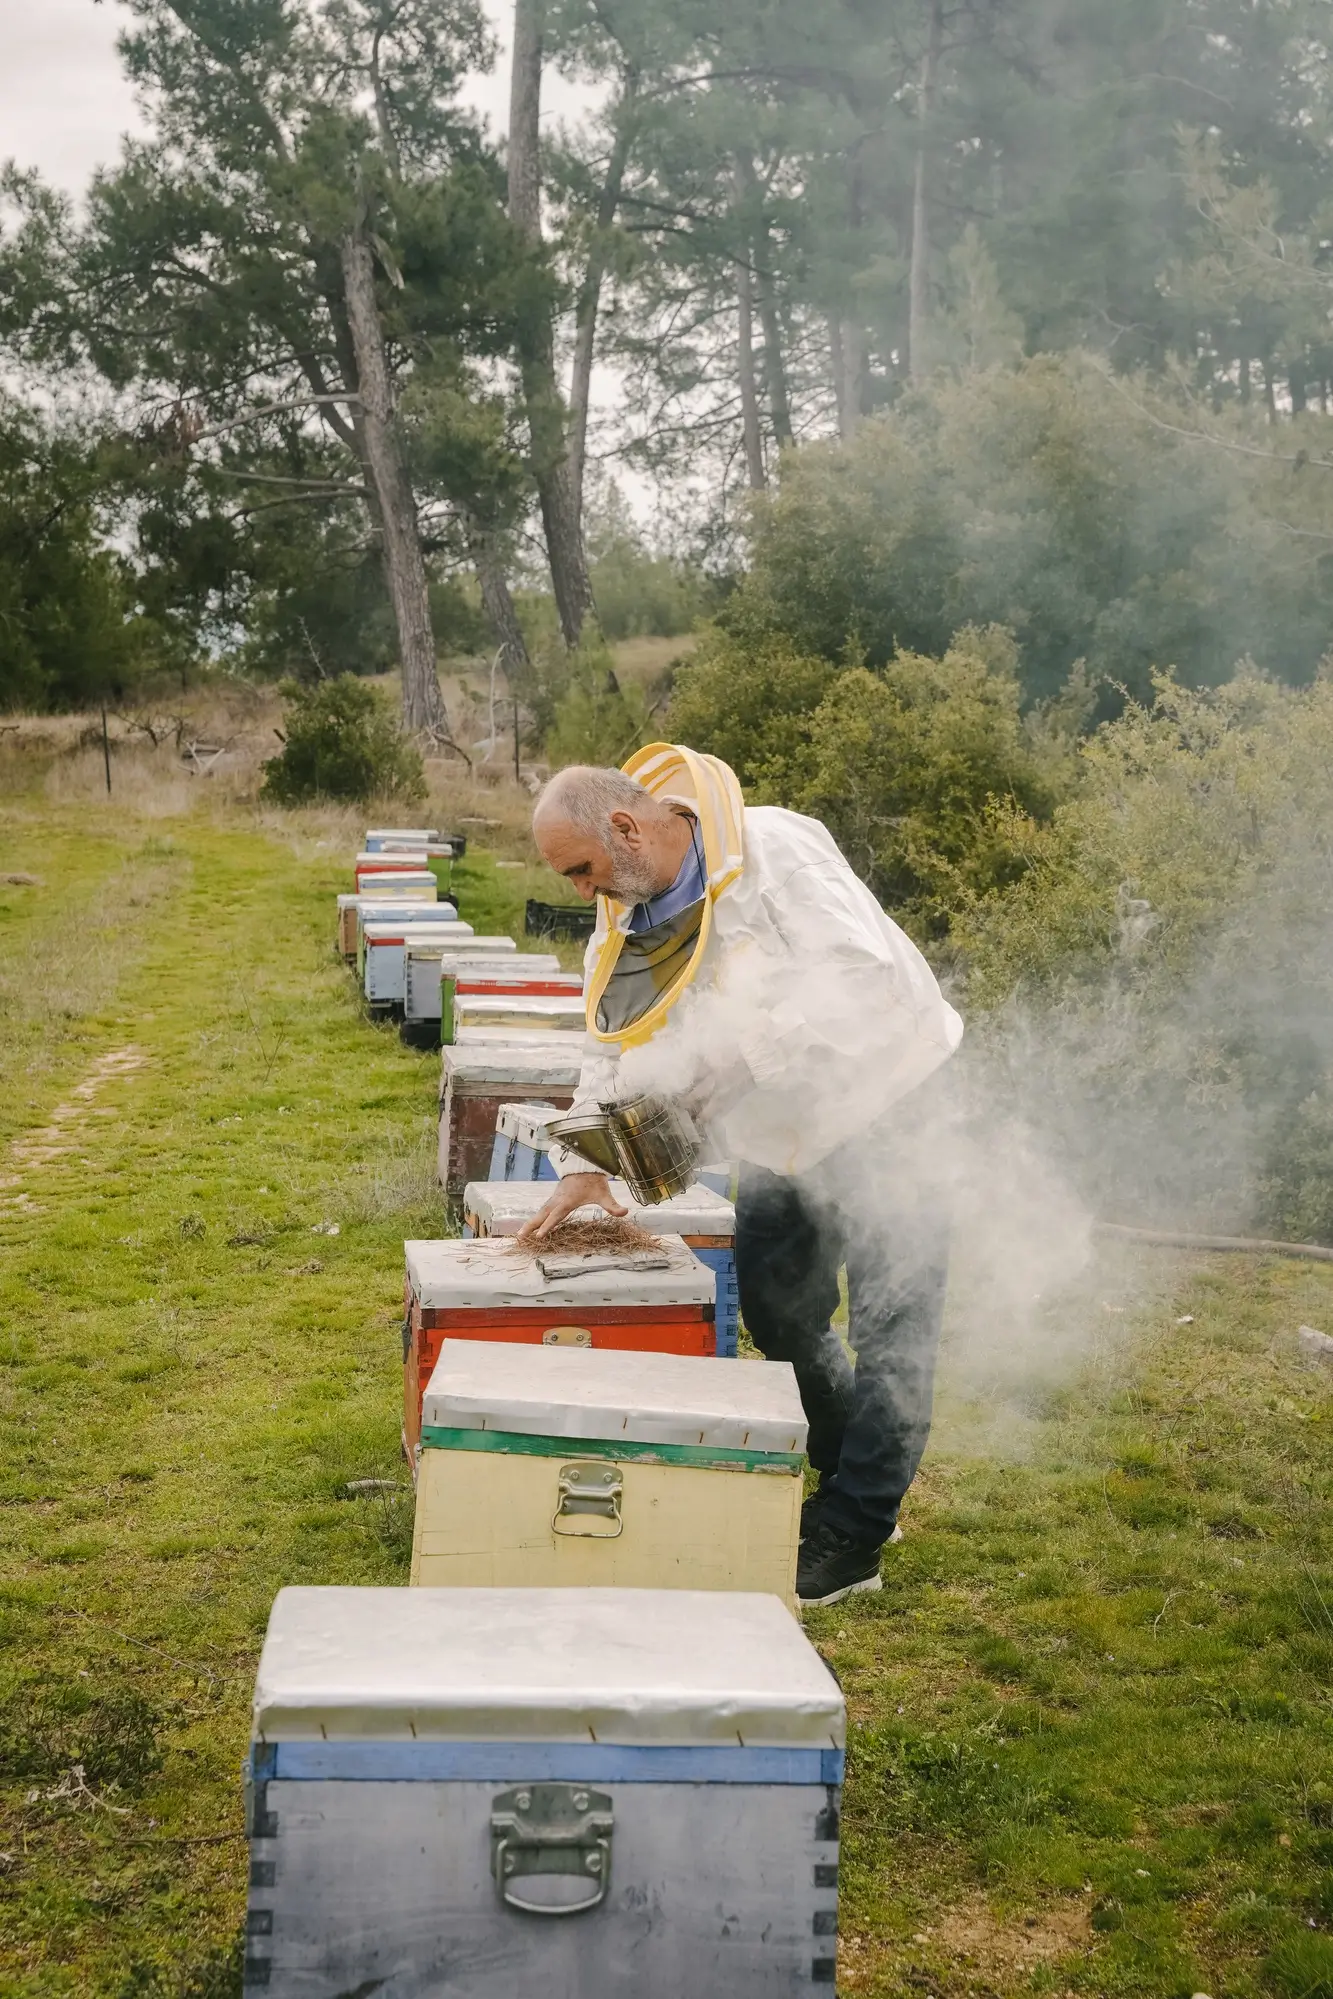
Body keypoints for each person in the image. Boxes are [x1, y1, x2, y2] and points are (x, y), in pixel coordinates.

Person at [517, 746, 963, 1608]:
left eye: (582, 870)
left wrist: (744, 1059)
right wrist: (583, 1167)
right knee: (775, 1308)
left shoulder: (774, 849)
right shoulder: (623, 917)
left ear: (623, 826)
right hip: (786, 1134)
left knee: (892, 1324)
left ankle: (856, 1532)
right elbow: (608, 1044)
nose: (582, 892)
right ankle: (847, 1470)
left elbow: (858, 975)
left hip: (891, 1101)